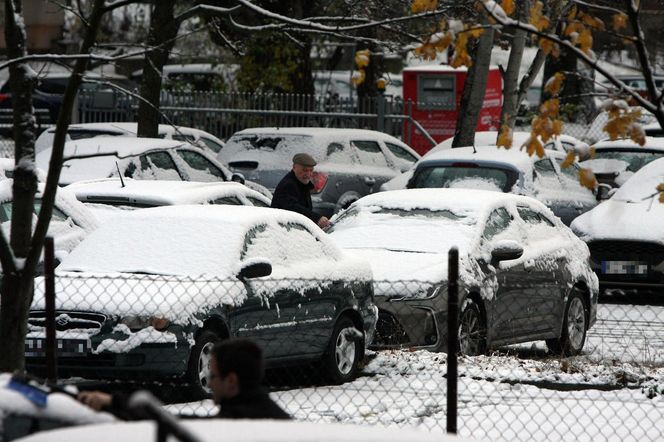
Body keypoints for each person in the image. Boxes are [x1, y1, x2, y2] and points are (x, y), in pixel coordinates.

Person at [78, 338, 290, 420]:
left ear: (231, 381)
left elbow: (181, 426)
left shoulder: (240, 422)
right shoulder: (265, 411)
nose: (210, 382)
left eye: (213, 376)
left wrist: (113, 402)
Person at [270, 153, 330, 228]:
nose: (308, 174)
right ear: (294, 167)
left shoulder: (302, 183)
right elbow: (294, 209)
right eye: (304, 170)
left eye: (311, 170)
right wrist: (317, 218)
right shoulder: (288, 185)